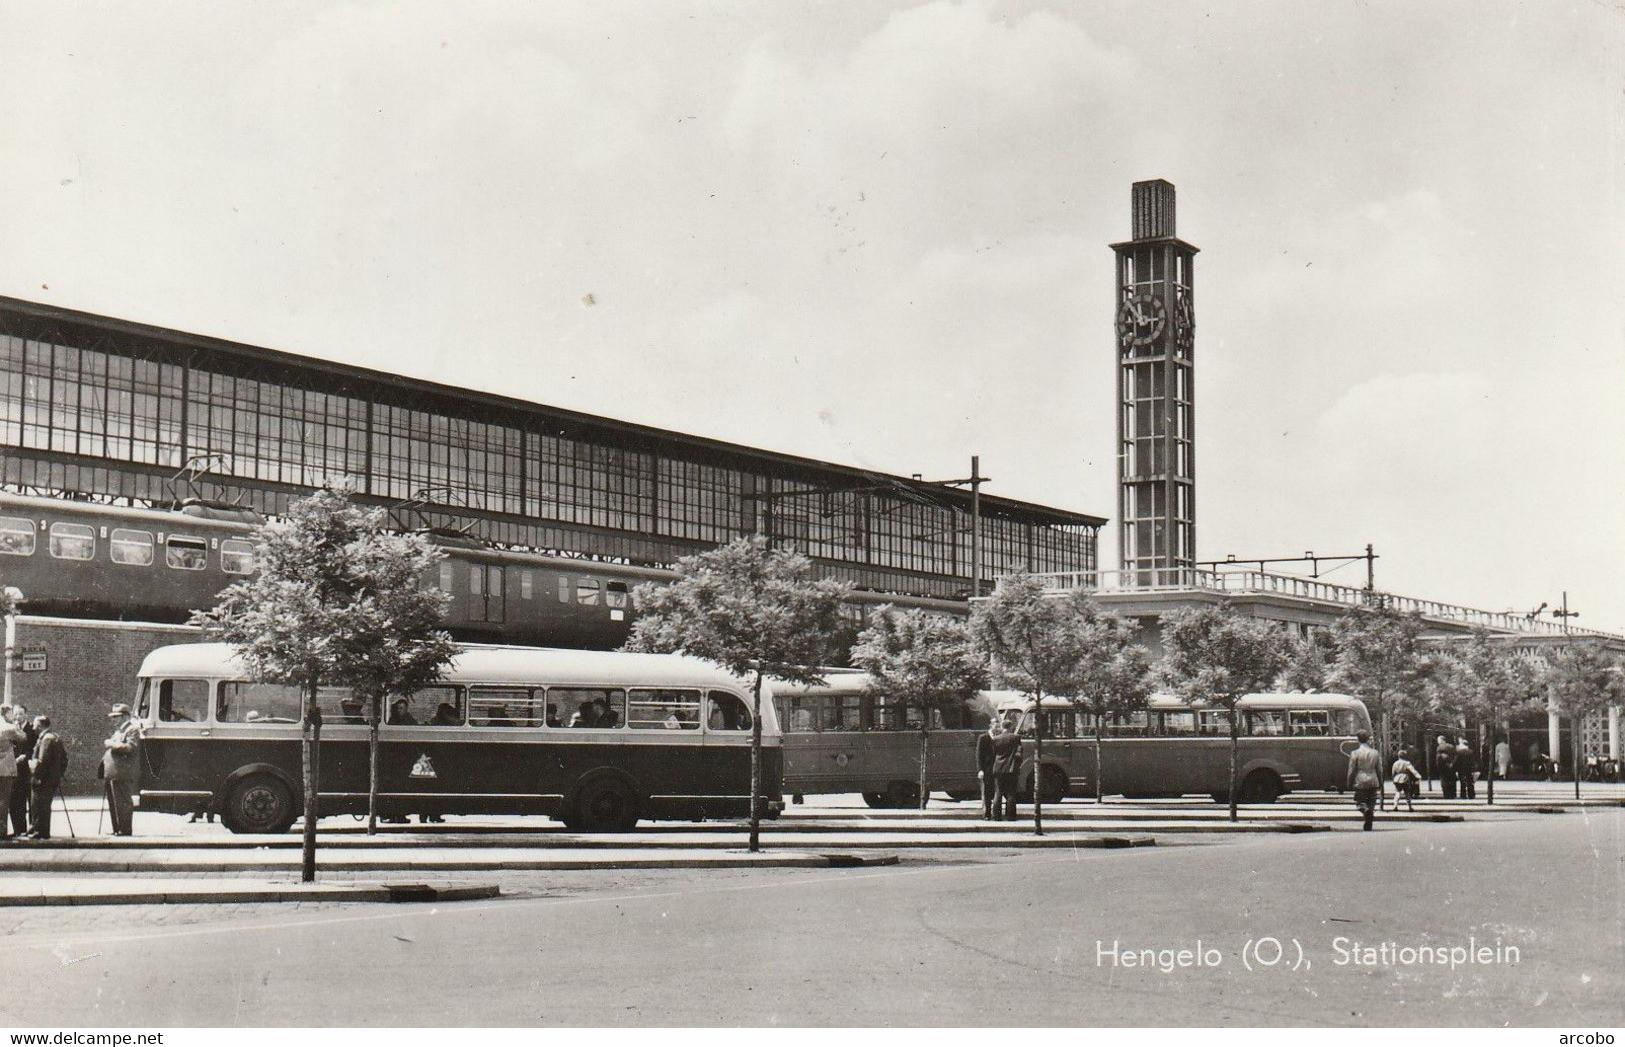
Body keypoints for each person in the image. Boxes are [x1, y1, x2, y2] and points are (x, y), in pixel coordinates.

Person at [101, 702, 141, 836]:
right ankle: (117, 828)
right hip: (113, 772)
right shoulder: (119, 731)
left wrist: (111, 744)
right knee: (114, 802)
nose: (113, 720)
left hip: (122, 771)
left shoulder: (132, 730)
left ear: (124, 717)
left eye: (116, 717)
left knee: (122, 801)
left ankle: (124, 829)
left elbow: (130, 747)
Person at [27, 715, 66, 839]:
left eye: (34, 725)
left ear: (40, 726)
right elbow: (65, 760)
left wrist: (31, 765)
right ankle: (40, 830)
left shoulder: (46, 739)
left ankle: (40, 831)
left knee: (39, 805)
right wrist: (58, 773)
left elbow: (42, 761)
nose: (33, 728)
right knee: (43, 805)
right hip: (50, 779)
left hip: (41, 779)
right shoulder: (54, 737)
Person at [990, 712, 1023, 822]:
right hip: (1011, 768)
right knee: (1011, 793)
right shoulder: (1016, 738)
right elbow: (1019, 753)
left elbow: (993, 754)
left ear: (1002, 727)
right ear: (1011, 727)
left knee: (998, 792)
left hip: (998, 768)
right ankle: (1011, 816)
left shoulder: (995, 739)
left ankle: (996, 816)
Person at [1346, 729, 1382, 831]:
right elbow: (1379, 770)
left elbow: (1352, 770)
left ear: (1358, 740)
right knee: (1371, 802)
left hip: (1360, 780)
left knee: (1359, 802)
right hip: (1373, 780)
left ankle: (1365, 811)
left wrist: (1349, 783)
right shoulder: (1375, 753)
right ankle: (1369, 822)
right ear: (1368, 740)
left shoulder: (1355, 753)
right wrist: (1381, 782)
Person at [7, 704, 34, 836]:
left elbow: (34, 748)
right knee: (16, 801)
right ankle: (19, 829)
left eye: (21, 714)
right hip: (15, 770)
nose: (18, 717)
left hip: (27, 770)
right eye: (16, 714)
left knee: (31, 800)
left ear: (26, 715)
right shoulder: (12, 729)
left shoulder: (32, 729)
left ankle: (32, 829)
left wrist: (25, 756)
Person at [0, 707, 23, 840]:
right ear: (6, 713)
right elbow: (23, 737)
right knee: (4, 801)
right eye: (11, 713)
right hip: (6, 770)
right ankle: (1, 831)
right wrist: (17, 726)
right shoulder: (8, 728)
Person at [975, 718, 998, 820]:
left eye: (998, 726)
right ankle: (987, 814)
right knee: (986, 792)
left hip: (997, 769)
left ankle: (996, 813)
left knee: (996, 792)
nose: (997, 728)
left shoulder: (999, 738)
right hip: (986, 769)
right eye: (995, 726)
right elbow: (979, 755)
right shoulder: (983, 738)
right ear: (991, 725)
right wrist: (980, 769)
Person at [1387, 747, 1420, 812]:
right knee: (1407, 793)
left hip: (1397, 778)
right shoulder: (1407, 763)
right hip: (1405, 779)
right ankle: (1410, 807)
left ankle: (1395, 806)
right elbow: (1412, 770)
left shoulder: (1395, 763)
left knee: (1397, 793)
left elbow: (1393, 772)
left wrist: (1393, 779)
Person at [1434, 735, 1457, 799]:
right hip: (1451, 766)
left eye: (1438, 740)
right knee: (1452, 780)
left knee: (1444, 781)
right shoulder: (1451, 746)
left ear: (1441, 740)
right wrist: (1452, 763)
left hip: (1443, 766)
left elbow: (1438, 758)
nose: (1437, 741)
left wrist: (1438, 766)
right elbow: (1455, 756)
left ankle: (1446, 795)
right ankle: (1453, 794)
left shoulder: (1439, 747)